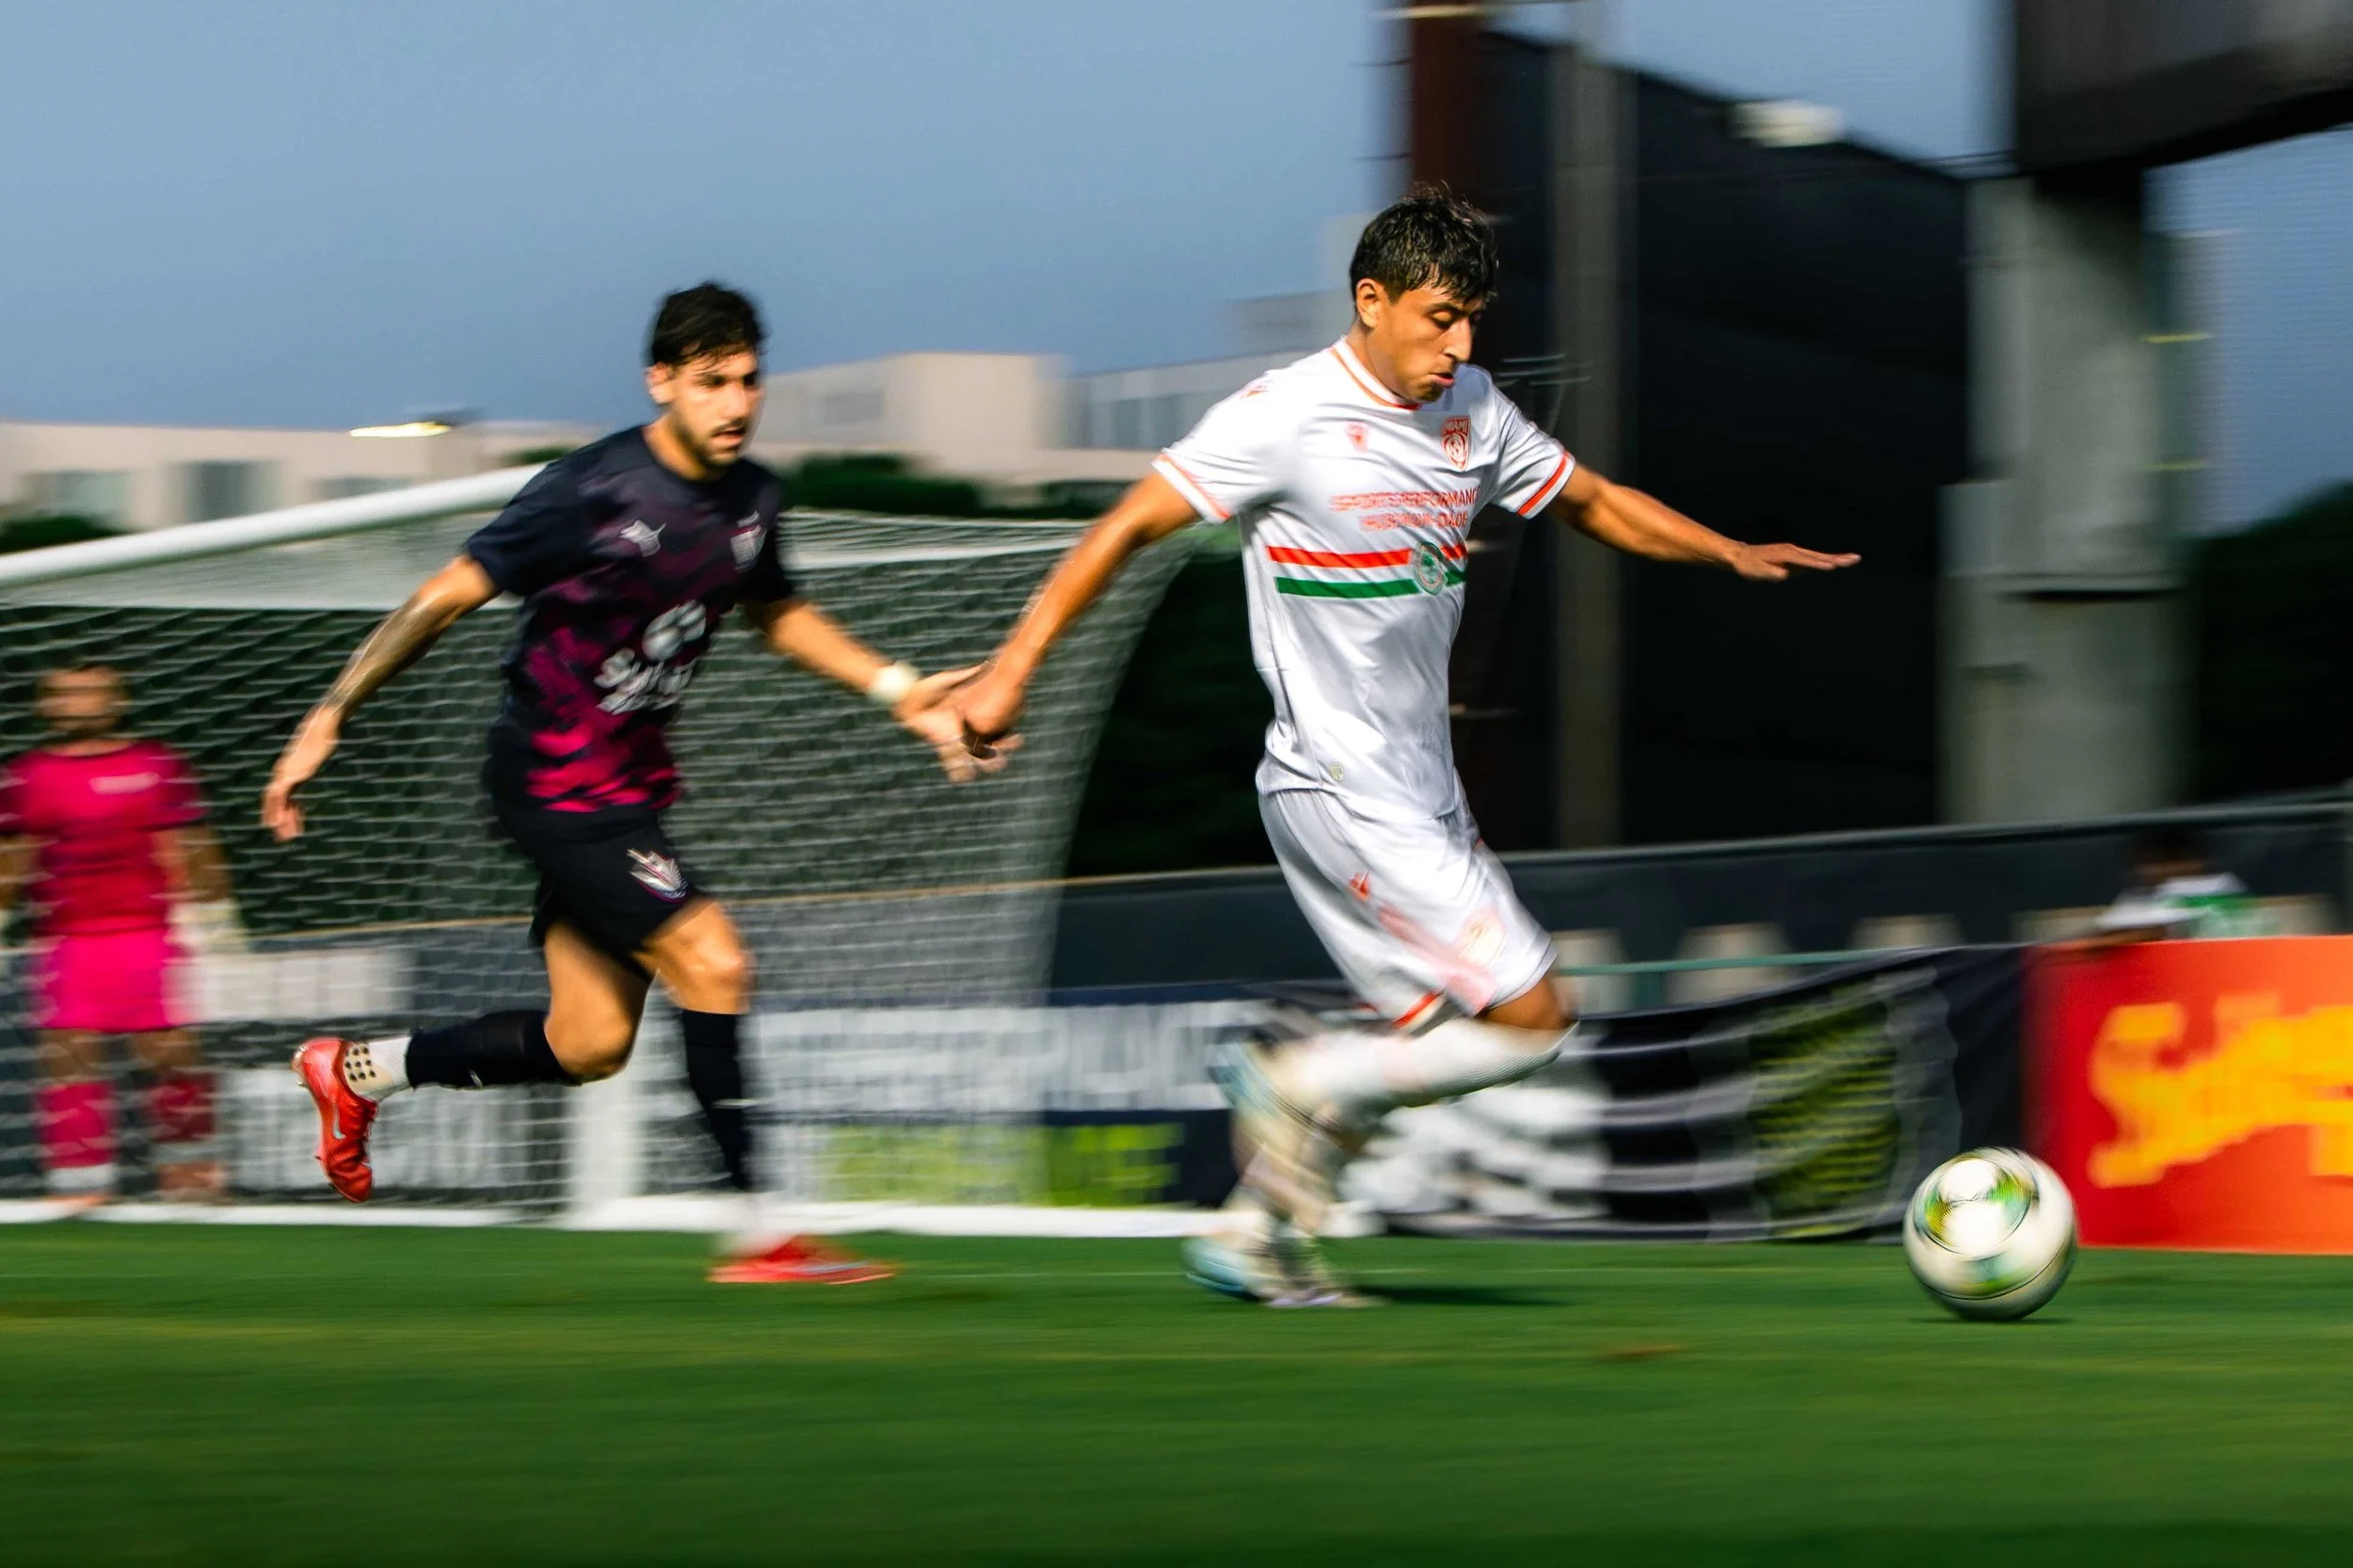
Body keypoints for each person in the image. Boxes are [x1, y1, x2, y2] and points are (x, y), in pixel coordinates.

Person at [949, 193, 1858, 1304]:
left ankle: (1256, 1233)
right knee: (1532, 1019)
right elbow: (1124, 526)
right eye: (1439, 318)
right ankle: (1296, 1076)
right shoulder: (1281, 416)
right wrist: (1009, 668)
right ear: (1370, 303)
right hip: (1338, 785)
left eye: (1472, 319)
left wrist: (1722, 550)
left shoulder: (1470, 406)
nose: (1460, 344)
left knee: (1430, 1043)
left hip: (1419, 789)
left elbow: (1592, 502)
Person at [263, 282, 1000, 1283]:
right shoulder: (591, 490)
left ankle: (357, 1071)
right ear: (661, 383)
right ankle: (763, 1232)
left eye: (749, 381)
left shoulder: (753, 500)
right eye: (711, 383)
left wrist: (900, 688)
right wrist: (331, 710)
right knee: (715, 960)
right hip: (552, 783)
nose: (736, 404)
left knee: (590, 1039)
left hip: (629, 791)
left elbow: (776, 612)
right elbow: (444, 595)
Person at [0, 665, 233, 1204]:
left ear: (118, 699)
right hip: (67, 940)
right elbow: (13, 861)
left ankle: (191, 1176)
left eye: (94, 690)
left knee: (172, 1053)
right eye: (67, 692)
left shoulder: (156, 764)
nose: (81, 702)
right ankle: (80, 1184)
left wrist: (218, 932)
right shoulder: (28, 774)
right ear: (47, 706)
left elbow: (192, 851)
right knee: (68, 1054)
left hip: (153, 934)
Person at [2091, 826, 2276, 943]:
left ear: (2193, 861)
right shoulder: (2234, 891)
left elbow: (2132, 934)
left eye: (2158, 862)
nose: (2148, 872)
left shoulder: (2173, 898)